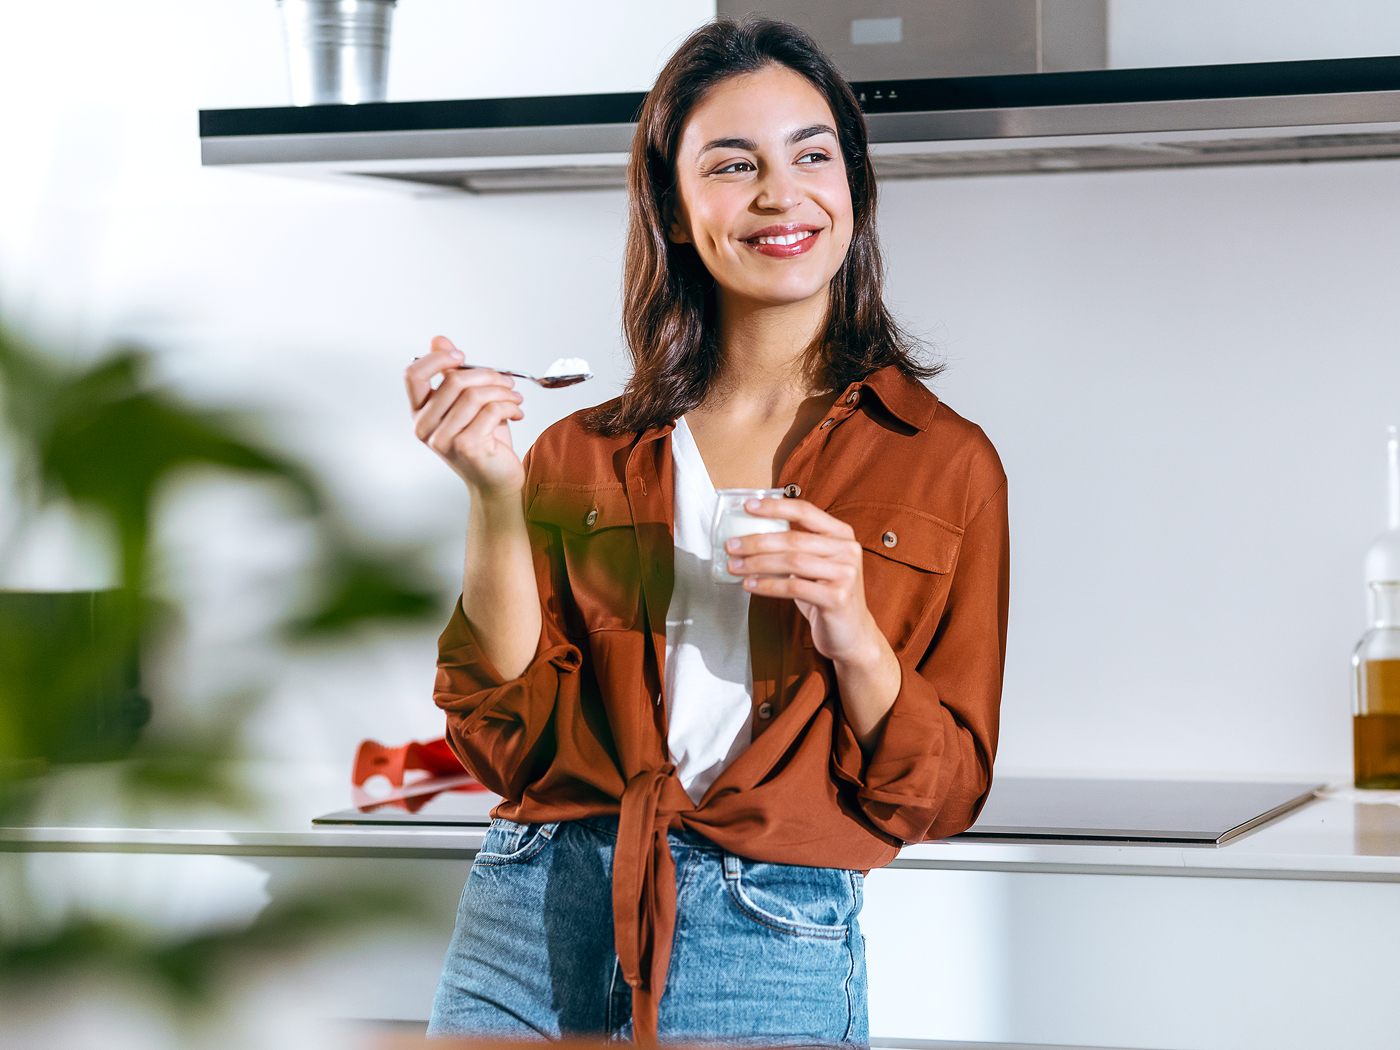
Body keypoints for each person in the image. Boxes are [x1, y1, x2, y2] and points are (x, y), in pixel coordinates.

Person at [404, 17, 1008, 1047]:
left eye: (811, 154)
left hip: (766, 929)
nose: (780, 193)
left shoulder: (940, 461)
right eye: (733, 164)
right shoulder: (579, 453)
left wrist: (851, 627)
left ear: (851, 192)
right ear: (678, 213)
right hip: (530, 913)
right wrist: (492, 497)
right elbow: (505, 741)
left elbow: (940, 793)